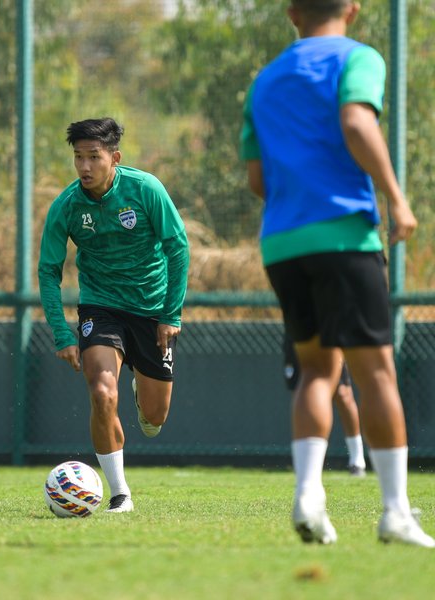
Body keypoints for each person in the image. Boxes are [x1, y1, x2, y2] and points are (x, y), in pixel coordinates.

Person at [241, 0, 432, 546]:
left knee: (316, 371)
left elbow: (257, 179)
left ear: (290, 12)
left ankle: (308, 495)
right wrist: (397, 199)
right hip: (345, 236)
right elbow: (356, 121)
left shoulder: (265, 81)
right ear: (352, 9)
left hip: (282, 244)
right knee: (375, 374)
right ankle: (395, 511)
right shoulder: (359, 58)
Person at [38, 118, 190, 513]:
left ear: (114, 158)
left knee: (154, 419)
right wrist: (62, 334)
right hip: (100, 307)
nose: (84, 167)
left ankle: (143, 386)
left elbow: (178, 248)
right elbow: (48, 271)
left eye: (94, 157)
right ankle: (120, 493)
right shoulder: (67, 206)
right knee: (103, 393)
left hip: (152, 310)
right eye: (78, 158)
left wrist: (170, 314)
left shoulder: (145, 190)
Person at [283, 333, 366, 477]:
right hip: (300, 329)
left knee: (342, 393)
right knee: (302, 391)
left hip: (328, 329)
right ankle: (307, 465)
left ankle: (357, 459)